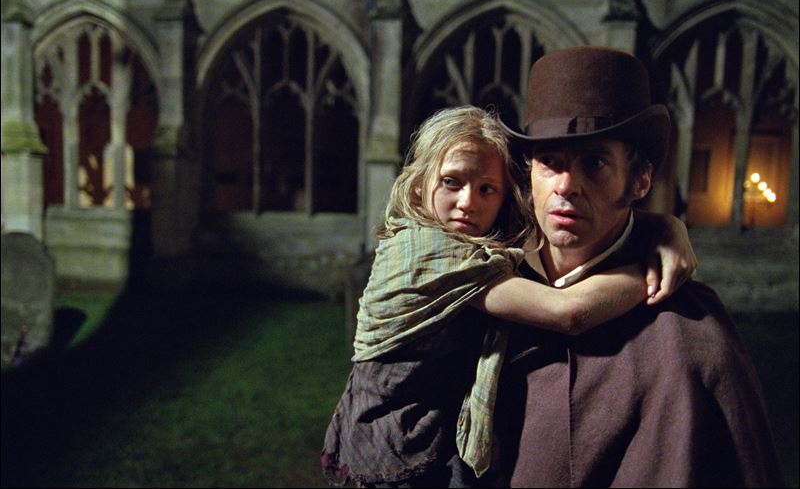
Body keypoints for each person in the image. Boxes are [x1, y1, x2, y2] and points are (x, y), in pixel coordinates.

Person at [321, 105, 697, 488]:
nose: (468, 202)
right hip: (393, 451)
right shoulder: (426, 250)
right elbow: (568, 312)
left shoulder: (470, 240)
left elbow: (576, 214)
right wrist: (650, 270)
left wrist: (666, 227)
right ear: (418, 184)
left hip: (431, 442)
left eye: (487, 189)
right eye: (451, 182)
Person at [495, 46, 784, 487]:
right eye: (550, 162)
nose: (566, 186)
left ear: (640, 180)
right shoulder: (481, 294)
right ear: (527, 175)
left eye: (595, 162)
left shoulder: (695, 340)